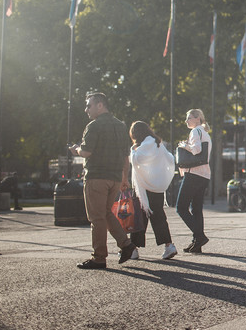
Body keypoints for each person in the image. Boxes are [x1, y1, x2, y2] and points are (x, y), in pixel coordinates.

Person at [69, 92, 136, 269]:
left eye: (88, 105)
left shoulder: (94, 126)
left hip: (96, 177)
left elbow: (86, 152)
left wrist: (76, 149)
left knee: (96, 218)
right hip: (114, 178)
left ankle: (99, 257)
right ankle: (126, 244)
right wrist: (124, 178)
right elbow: (125, 156)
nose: (86, 110)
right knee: (106, 214)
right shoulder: (121, 126)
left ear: (100, 105)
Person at [128, 121, 177, 260]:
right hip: (156, 186)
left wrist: (133, 150)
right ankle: (169, 245)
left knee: (139, 218)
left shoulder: (145, 145)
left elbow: (137, 160)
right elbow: (170, 158)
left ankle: (134, 249)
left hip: (145, 187)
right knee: (158, 218)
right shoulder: (157, 143)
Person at [176, 108, 212, 253]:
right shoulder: (204, 133)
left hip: (194, 174)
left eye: (189, 118)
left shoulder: (195, 131)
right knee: (196, 209)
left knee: (181, 207)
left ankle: (200, 236)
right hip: (204, 175)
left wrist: (184, 145)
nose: (187, 121)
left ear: (197, 119)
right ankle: (197, 243)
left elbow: (196, 150)